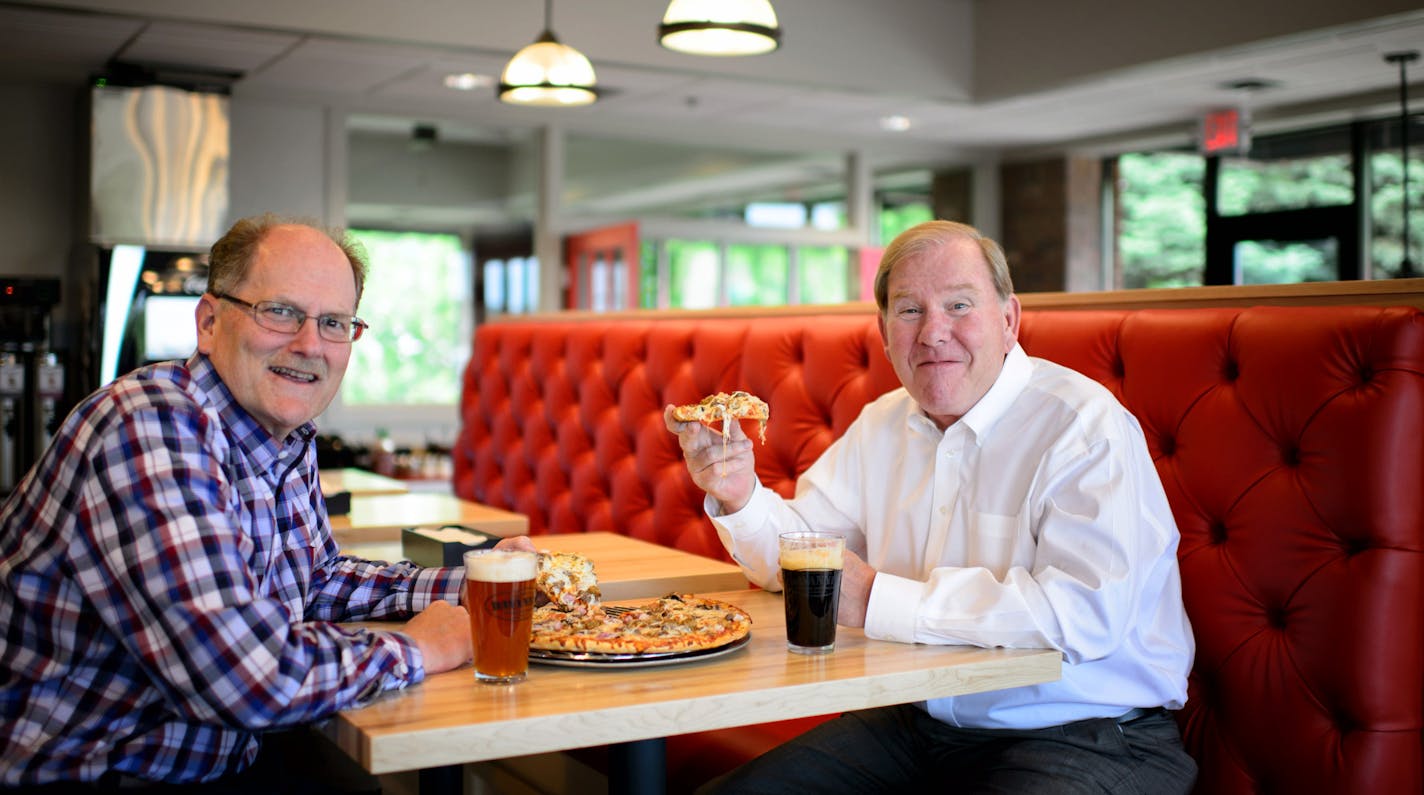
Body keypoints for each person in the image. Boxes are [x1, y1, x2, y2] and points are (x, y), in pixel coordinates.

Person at [0, 214, 530, 792]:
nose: (309, 345)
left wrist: (471, 583)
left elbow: (313, 582)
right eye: (280, 312)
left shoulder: (282, 435)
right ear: (208, 322)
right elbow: (244, 676)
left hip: (210, 752)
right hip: (89, 768)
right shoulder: (149, 423)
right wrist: (416, 648)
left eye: (334, 323)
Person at [664, 220, 1197, 793]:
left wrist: (878, 599)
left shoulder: (1085, 425)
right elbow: (800, 560)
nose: (934, 333)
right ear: (884, 329)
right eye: (910, 310)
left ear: (1009, 319)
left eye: (959, 305)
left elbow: (1085, 616)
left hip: (1089, 733)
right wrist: (739, 493)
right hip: (915, 723)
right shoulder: (883, 422)